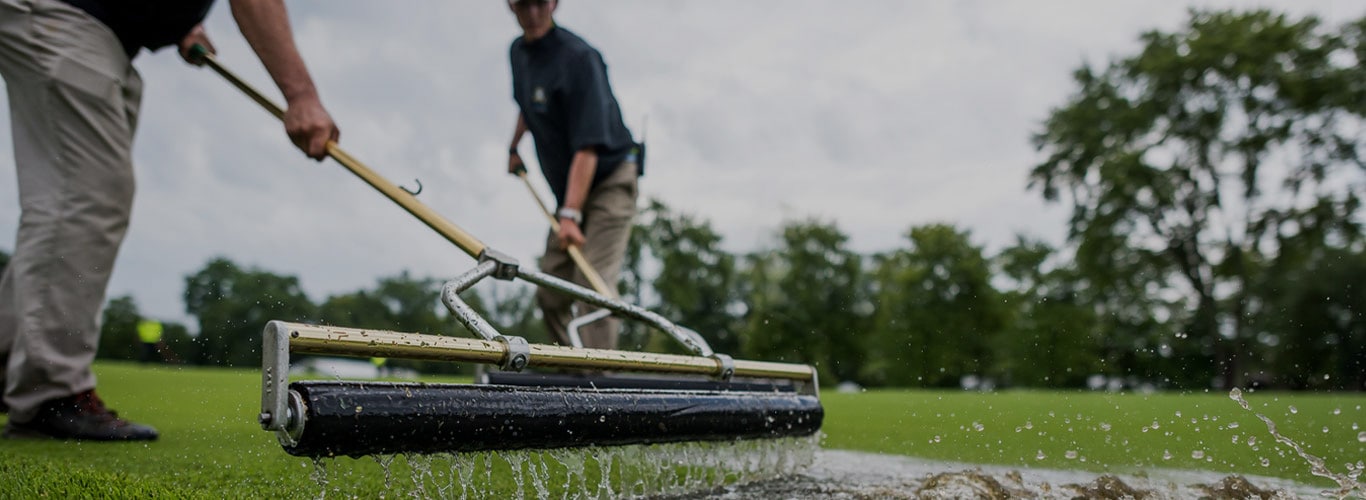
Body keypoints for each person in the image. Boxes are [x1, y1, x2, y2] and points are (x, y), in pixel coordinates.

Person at [0, 0, 339, 441]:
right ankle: (48, 393)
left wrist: (174, 22)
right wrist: (301, 96)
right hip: (63, 14)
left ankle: (11, 363)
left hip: (97, 30)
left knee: (79, 197)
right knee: (85, 197)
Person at [504, 0, 639, 351]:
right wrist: (514, 145)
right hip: (569, 193)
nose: (532, 14)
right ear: (510, 6)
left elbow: (588, 146)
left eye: (538, 4)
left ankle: (602, 385)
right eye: (522, 5)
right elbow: (527, 103)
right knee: (550, 294)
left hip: (610, 178)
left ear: (554, 3)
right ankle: (571, 373)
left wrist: (570, 214)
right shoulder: (519, 52)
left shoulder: (580, 59)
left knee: (591, 287)